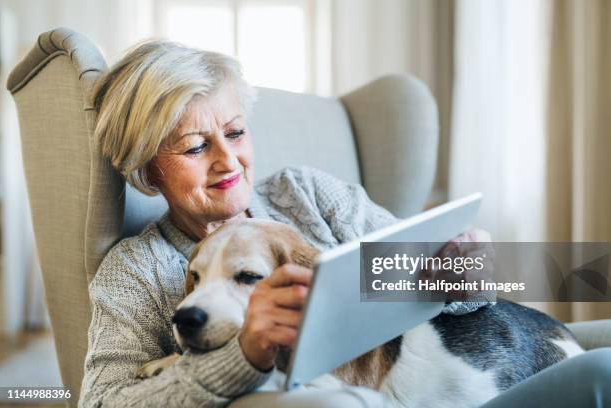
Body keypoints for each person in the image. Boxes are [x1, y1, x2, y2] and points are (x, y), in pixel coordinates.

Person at [78, 41, 611, 408]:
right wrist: (242, 356)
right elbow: (102, 401)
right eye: (196, 147)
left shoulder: (306, 195)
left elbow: (441, 293)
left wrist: (470, 274)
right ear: (149, 168)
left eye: (236, 133)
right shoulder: (136, 271)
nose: (228, 161)